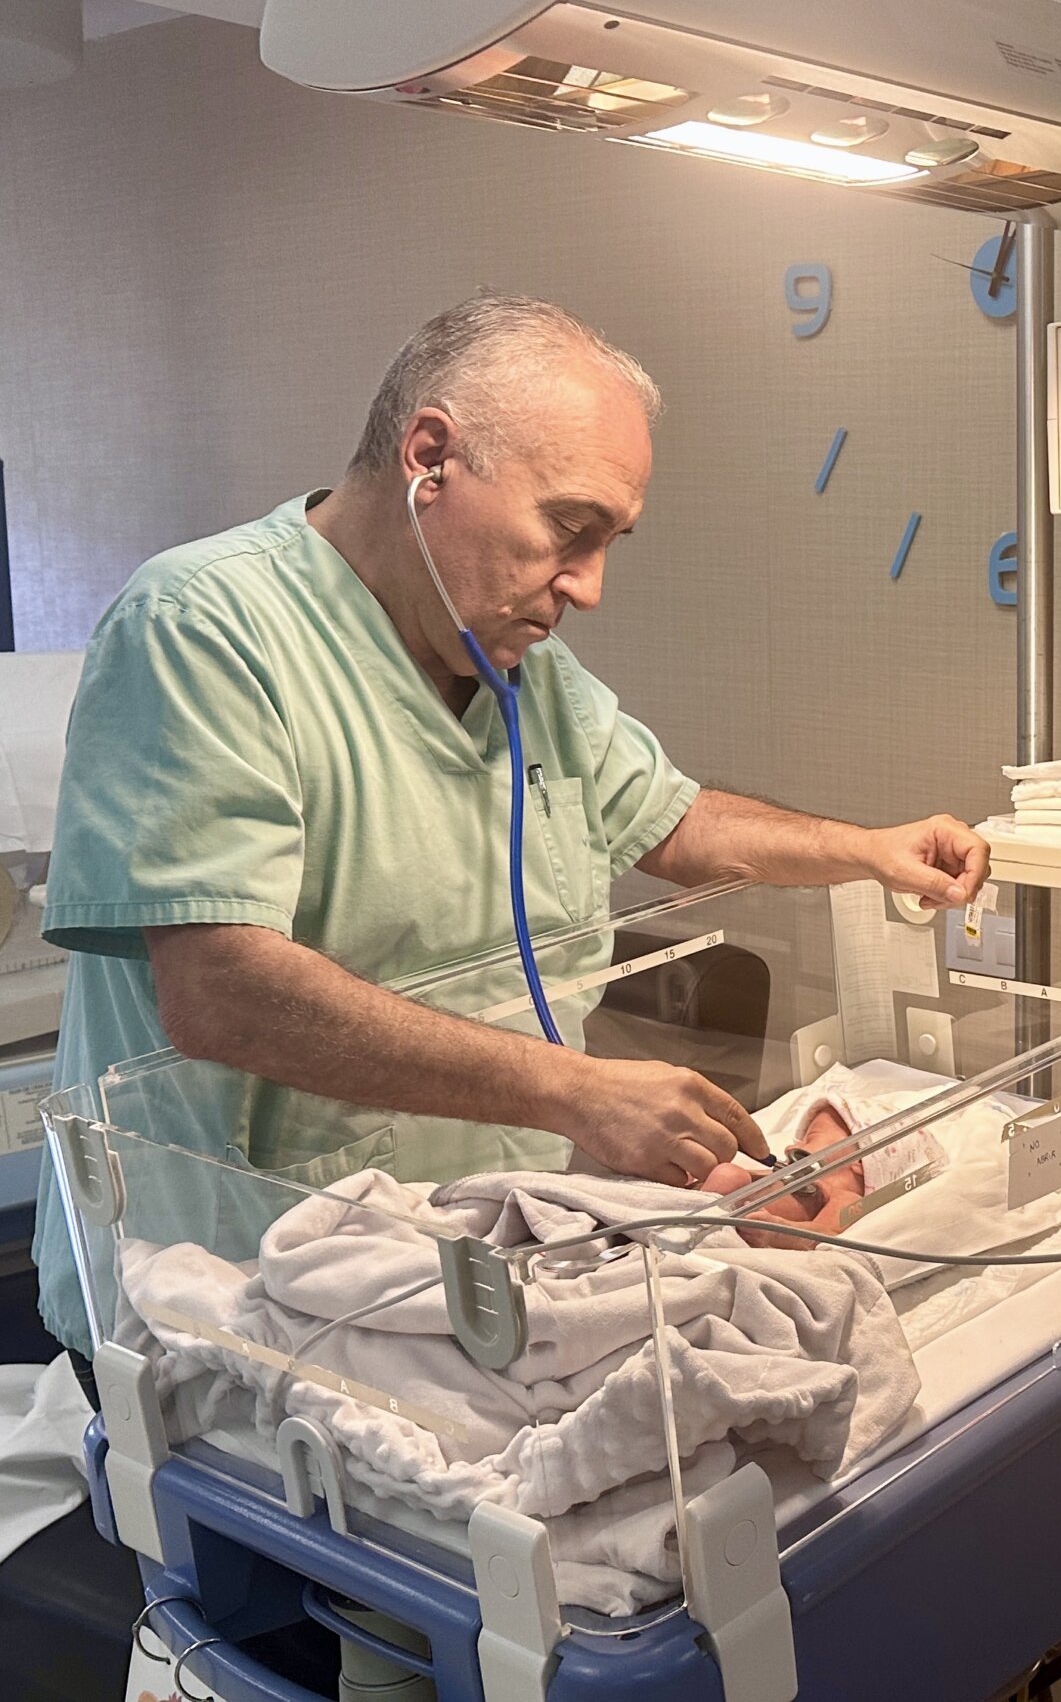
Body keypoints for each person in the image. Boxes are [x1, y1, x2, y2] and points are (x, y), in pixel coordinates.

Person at [33, 292, 989, 1356]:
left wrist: (866, 851)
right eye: (569, 529)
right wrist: (576, 1092)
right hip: (235, 1301)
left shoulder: (514, 664)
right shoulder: (203, 628)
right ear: (429, 458)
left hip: (466, 1268)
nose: (588, 586)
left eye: (610, 541)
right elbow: (221, 989)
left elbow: (674, 821)